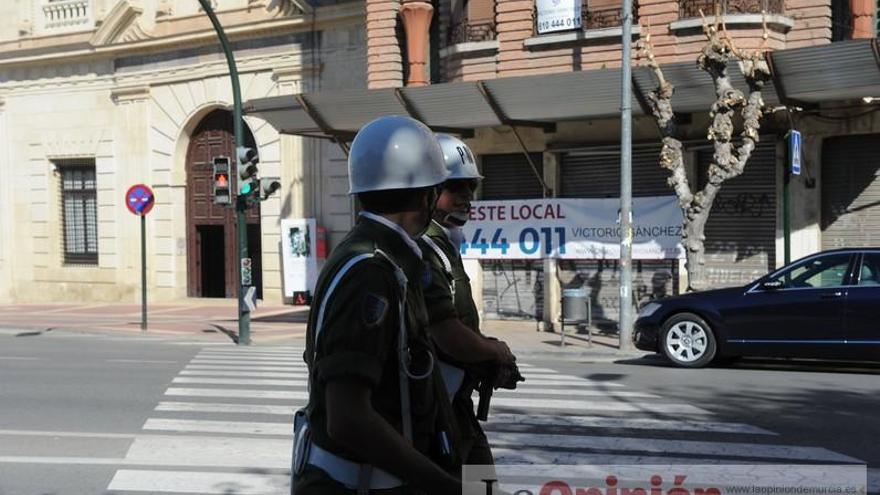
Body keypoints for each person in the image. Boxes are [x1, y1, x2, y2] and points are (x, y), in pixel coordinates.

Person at [293, 116, 462, 494]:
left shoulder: (380, 256)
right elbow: (348, 418)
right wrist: (443, 486)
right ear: (426, 195)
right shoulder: (371, 270)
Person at [419, 134, 520, 469]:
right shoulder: (424, 248)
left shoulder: (445, 245)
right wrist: (496, 352)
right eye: (455, 188)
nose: (465, 197)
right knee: (474, 483)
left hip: (456, 406)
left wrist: (487, 356)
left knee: (482, 481)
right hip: (437, 411)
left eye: (470, 188)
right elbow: (445, 332)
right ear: (429, 190)